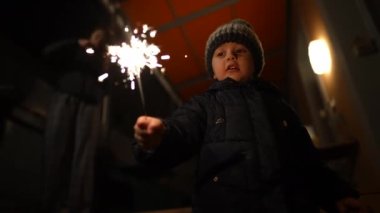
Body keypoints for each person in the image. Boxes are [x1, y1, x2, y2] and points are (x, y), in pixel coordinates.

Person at [133, 19, 366, 212]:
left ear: (255, 63)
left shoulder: (280, 107)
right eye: (220, 53)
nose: (230, 57)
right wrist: (158, 138)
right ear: (212, 72)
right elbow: (181, 129)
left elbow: (308, 161)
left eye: (240, 51)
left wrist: (337, 194)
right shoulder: (204, 105)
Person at [41, 27, 109, 213]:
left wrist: (107, 69)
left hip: (90, 104)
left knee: (84, 155)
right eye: (97, 34)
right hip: (66, 95)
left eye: (103, 37)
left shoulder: (105, 58)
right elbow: (48, 52)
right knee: (55, 147)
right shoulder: (77, 48)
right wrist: (75, 42)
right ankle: (49, 203)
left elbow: (110, 84)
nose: (99, 38)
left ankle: (77, 207)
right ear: (91, 34)